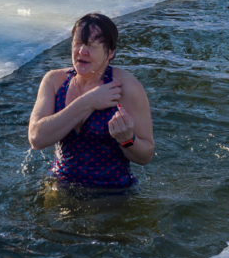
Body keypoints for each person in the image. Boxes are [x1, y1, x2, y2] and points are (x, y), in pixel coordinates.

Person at [28, 13, 154, 189]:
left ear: (110, 52)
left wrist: (127, 139)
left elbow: (146, 156)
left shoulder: (125, 88)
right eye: (78, 43)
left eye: (91, 45)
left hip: (112, 192)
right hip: (60, 185)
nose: (82, 51)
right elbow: (36, 138)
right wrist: (87, 102)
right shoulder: (55, 81)